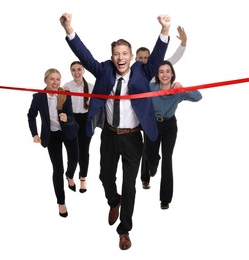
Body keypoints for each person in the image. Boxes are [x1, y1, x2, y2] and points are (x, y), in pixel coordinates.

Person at [60, 12, 171, 250]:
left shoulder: (142, 71)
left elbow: (158, 56)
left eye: (124, 54)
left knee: (128, 185)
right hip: (109, 134)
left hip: (132, 137)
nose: (120, 58)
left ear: (131, 57)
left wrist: (164, 30)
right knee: (105, 177)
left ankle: (124, 230)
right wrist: (69, 29)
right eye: (116, 54)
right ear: (112, 57)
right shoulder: (104, 70)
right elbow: (84, 56)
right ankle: (114, 201)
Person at [144, 60, 202, 210]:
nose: (164, 74)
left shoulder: (177, 91)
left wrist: (183, 88)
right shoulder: (151, 88)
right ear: (157, 74)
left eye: (167, 71)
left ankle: (165, 199)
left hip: (169, 126)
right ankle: (153, 164)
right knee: (151, 156)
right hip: (153, 125)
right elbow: (134, 96)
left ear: (172, 74)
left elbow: (198, 97)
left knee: (167, 159)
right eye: (161, 71)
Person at [137, 25, 187, 189]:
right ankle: (146, 176)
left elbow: (174, 59)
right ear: (135, 59)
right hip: (144, 117)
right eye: (140, 58)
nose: (144, 60)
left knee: (157, 152)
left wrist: (184, 42)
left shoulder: (156, 70)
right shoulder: (133, 73)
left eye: (146, 57)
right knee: (147, 150)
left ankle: (156, 183)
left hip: (162, 117)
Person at [27, 68, 79, 218]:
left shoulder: (65, 95)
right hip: (52, 136)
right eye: (52, 79)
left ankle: (70, 175)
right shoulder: (38, 98)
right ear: (45, 81)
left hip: (68, 132)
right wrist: (35, 134)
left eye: (58, 79)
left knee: (74, 160)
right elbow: (31, 116)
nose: (55, 82)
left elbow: (71, 117)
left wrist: (67, 119)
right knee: (58, 169)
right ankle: (61, 202)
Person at [63, 61, 94, 193]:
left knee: (84, 150)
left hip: (86, 120)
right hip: (71, 120)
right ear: (71, 72)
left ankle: (83, 178)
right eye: (73, 70)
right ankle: (69, 174)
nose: (76, 72)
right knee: (73, 151)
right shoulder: (67, 86)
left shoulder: (91, 87)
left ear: (83, 71)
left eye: (79, 69)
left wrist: (91, 102)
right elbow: (61, 103)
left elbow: (99, 105)